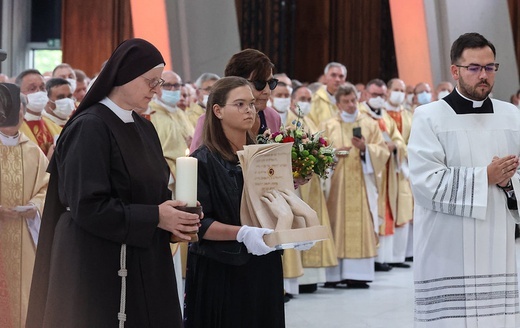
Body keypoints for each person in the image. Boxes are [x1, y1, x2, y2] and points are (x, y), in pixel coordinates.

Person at [26, 38, 201, 328]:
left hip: (143, 259)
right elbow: (88, 206)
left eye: (159, 82)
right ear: (124, 75)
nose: (157, 90)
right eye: (152, 81)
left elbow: (154, 196)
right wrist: (157, 216)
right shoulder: (89, 127)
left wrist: (177, 218)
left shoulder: (144, 127)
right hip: (98, 266)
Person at [408, 32, 520, 327]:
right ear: (455, 71)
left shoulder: (512, 116)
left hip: (497, 239)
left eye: (489, 67)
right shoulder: (429, 117)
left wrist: (509, 182)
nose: (483, 75)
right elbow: (424, 182)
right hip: (447, 245)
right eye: (474, 68)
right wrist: (485, 176)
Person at [184, 76, 285, 327]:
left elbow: (274, 203)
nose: (249, 110)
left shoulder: (263, 156)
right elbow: (198, 223)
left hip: (263, 265)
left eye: (251, 104)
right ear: (217, 110)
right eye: (239, 104)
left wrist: (292, 231)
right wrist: (242, 233)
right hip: (222, 269)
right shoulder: (203, 160)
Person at [320, 83, 389, 288]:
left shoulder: (369, 124)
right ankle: (334, 275)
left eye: (353, 100)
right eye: (346, 102)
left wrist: (365, 149)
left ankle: (358, 275)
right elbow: (319, 153)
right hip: (337, 184)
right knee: (335, 223)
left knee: (361, 224)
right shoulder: (329, 125)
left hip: (362, 183)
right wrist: (334, 153)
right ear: (338, 104)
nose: (351, 105)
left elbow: (382, 151)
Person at [0, 84, 49, 328]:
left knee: (26, 304)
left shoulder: (33, 151)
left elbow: (47, 189)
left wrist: (34, 206)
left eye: (18, 108)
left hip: (25, 239)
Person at [189, 49, 282, 153]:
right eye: (259, 84)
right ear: (236, 83)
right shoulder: (209, 121)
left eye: (271, 83)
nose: (267, 91)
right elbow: (196, 164)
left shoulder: (273, 117)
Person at [16, 69, 62, 156]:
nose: (39, 92)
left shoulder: (56, 127)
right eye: (32, 88)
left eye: (42, 88)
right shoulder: (14, 129)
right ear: (19, 93)